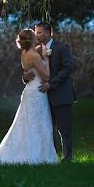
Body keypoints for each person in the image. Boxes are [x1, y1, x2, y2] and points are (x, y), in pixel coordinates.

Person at [0, 28, 59, 166]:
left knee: (26, 124)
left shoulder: (25, 53)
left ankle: (31, 153)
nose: (37, 36)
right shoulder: (34, 55)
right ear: (32, 39)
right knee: (38, 124)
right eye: (35, 35)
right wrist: (46, 58)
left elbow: (29, 69)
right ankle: (38, 156)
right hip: (37, 92)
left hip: (30, 90)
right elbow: (45, 76)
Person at [23, 22, 76, 162]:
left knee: (64, 128)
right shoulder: (34, 50)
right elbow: (29, 69)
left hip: (61, 94)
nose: (36, 35)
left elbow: (67, 68)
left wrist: (50, 84)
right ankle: (50, 156)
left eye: (39, 32)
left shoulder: (61, 47)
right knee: (47, 128)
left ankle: (67, 157)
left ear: (48, 33)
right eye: (35, 32)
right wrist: (25, 77)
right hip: (41, 96)